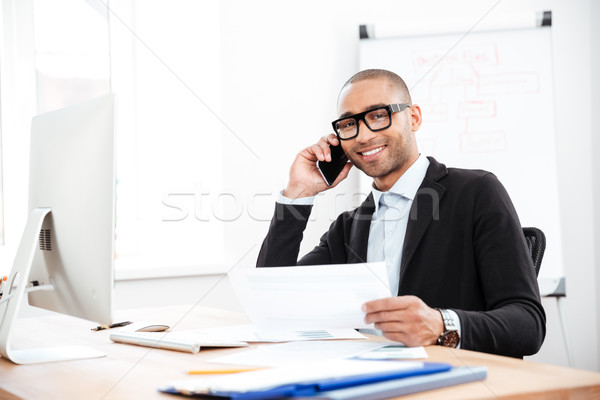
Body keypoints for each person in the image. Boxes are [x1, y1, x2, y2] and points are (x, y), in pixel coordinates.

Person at [256, 68, 545, 358]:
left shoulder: (476, 192)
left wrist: (441, 325)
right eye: (348, 124)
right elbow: (272, 304)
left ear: (414, 118)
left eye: (378, 116)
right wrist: (298, 194)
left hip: (448, 379)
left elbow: (528, 324)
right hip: (362, 377)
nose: (364, 135)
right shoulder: (349, 227)